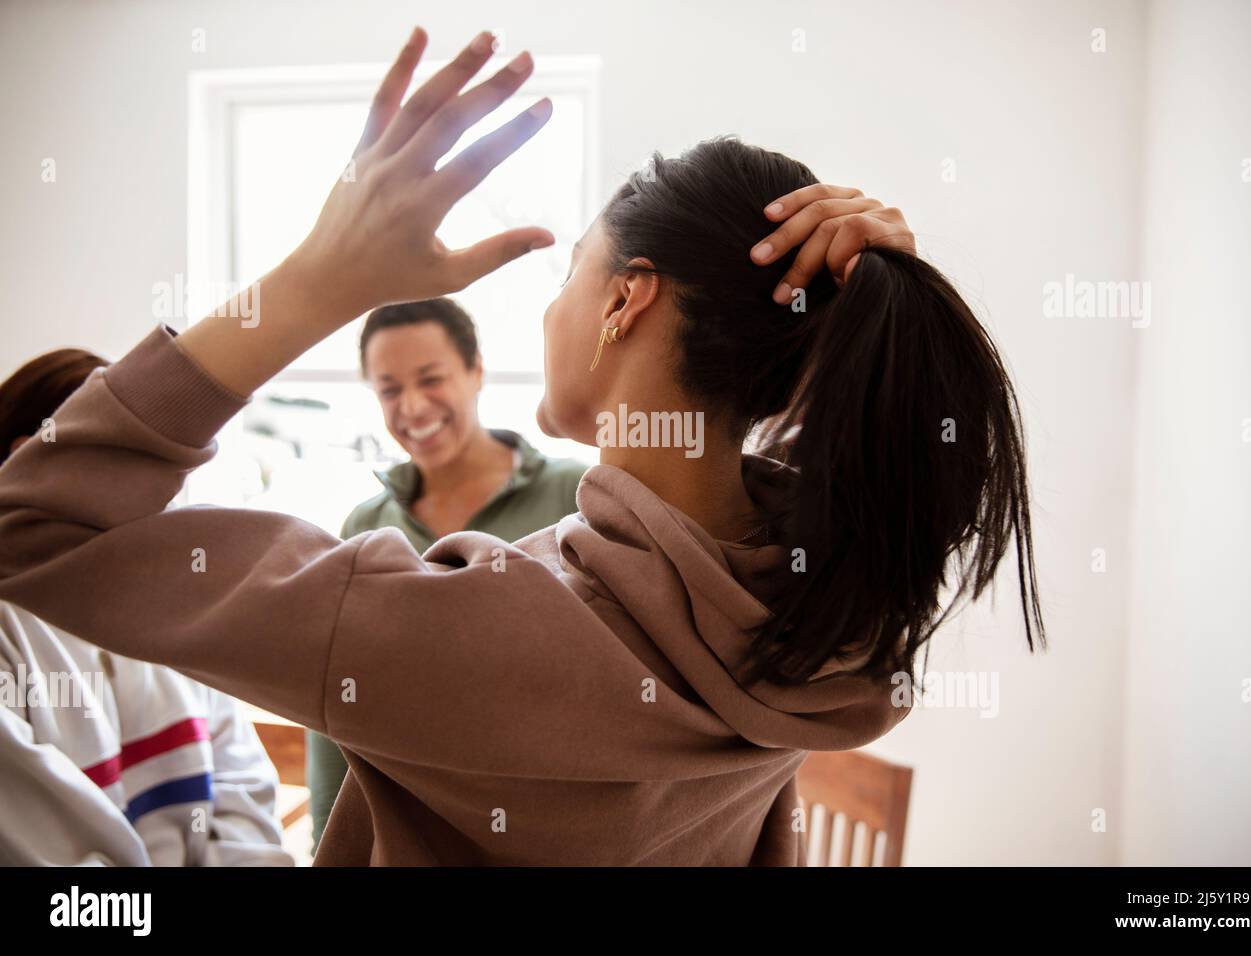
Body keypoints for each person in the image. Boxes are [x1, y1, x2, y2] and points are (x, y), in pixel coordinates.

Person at [0, 27, 1043, 865]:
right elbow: (888, 466)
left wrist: (316, 277)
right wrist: (860, 312)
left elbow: (29, 522)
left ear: (625, 301)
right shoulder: (834, 619)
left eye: (566, 279)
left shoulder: (449, 629)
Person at [307, 297, 586, 851]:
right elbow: (333, 711)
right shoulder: (365, 526)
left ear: (476, 370)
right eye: (389, 389)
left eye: (430, 379)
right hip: (410, 837)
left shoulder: (573, 494)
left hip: (553, 833)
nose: (412, 407)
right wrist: (326, 844)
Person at [0, 349, 292, 866]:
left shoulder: (175, 605)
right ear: (28, 461)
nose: (158, 498)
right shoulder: (11, 633)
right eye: (126, 468)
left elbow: (244, 792)